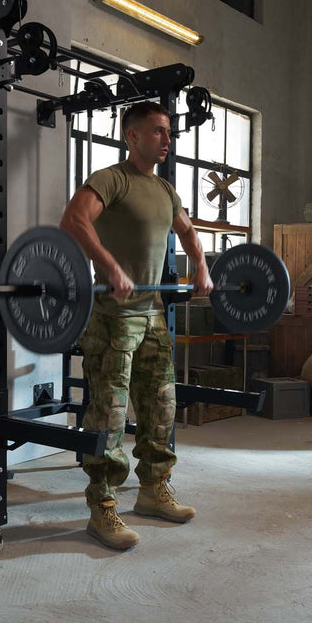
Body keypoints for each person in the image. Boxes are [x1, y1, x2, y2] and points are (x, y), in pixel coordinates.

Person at [60, 101, 213, 551]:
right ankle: (102, 507)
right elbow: (73, 220)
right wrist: (107, 266)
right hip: (112, 318)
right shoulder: (112, 179)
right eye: (159, 131)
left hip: (151, 315)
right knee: (108, 413)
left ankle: (152, 490)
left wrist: (201, 266)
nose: (167, 139)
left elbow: (186, 232)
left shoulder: (165, 191)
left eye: (168, 133)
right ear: (132, 136)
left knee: (162, 407)